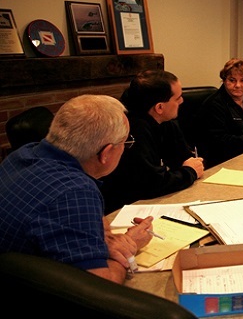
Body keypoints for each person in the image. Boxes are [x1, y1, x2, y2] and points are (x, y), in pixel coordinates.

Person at [0, 94, 154, 284]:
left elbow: (90, 218)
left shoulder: (22, 154)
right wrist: (130, 246)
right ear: (106, 153)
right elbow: (98, 289)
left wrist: (104, 238)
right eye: (125, 142)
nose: (125, 148)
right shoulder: (74, 191)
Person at [99, 70, 204, 214]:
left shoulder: (166, 121)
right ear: (159, 107)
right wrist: (189, 172)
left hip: (159, 199)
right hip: (125, 210)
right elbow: (151, 184)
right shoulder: (133, 130)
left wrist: (189, 167)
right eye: (177, 98)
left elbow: (184, 158)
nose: (182, 101)